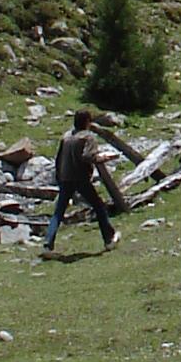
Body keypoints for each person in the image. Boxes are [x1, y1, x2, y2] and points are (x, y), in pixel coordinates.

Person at [45, 109, 120, 254]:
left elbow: (58, 159)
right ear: (87, 122)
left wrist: (59, 177)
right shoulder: (88, 138)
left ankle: (47, 244)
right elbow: (87, 156)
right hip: (80, 178)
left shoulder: (66, 137)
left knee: (58, 212)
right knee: (99, 207)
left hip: (65, 177)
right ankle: (109, 239)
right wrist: (103, 158)